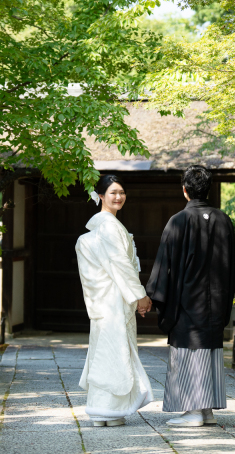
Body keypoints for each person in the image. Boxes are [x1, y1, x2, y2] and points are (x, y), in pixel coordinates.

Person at [143, 165, 235, 427]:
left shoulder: (178, 221)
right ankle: (206, 410)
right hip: (216, 301)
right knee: (209, 351)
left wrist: (151, 296)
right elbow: (232, 268)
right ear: (208, 189)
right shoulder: (224, 220)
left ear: (185, 190)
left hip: (186, 301)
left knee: (189, 351)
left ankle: (193, 411)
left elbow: (163, 266)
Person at [75, 174, 154, 427]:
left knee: (105, 351)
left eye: (121, 192)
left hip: (104, 300)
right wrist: (140, 295)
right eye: (113, 193)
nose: (118, 197)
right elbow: (121, 265)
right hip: (114, 300)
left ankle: (101, 411)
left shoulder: (103, 227)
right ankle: (108, 411)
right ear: (101, 196)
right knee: (115, 352)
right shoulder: (109, 226)